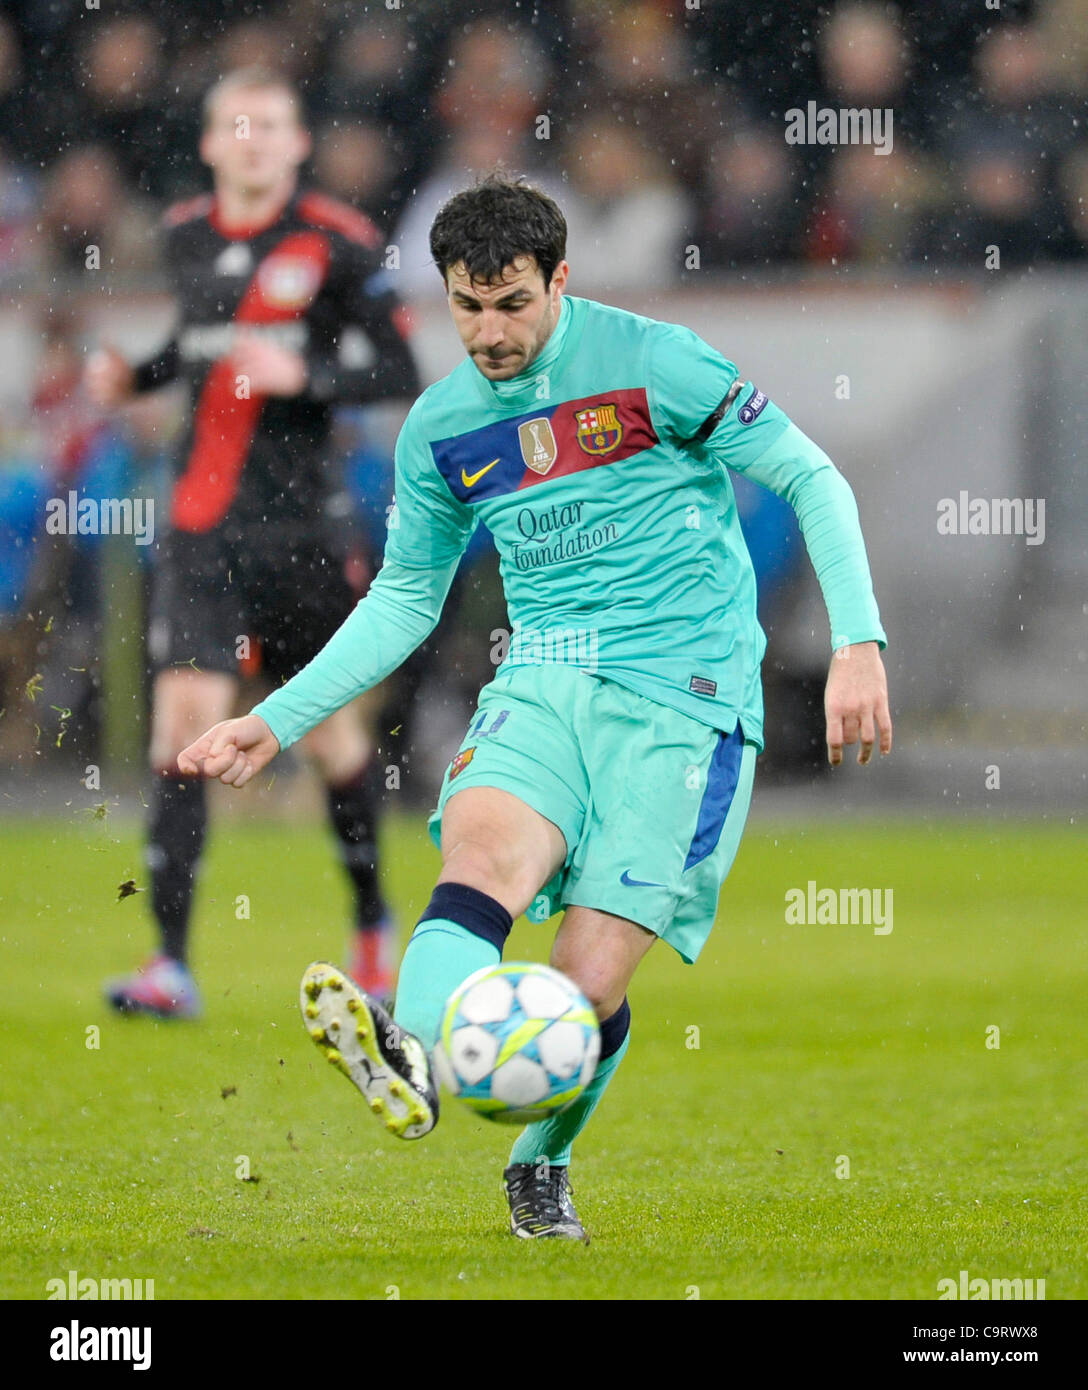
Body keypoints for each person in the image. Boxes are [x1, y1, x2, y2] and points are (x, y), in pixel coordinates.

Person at [177, 175, 892, 1241]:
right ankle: (412, 1053)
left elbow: (809, 477)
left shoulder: (656, 364)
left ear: (560, 280)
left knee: (586, 985)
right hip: (543, 678)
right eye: (468, 307)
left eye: (512, 303)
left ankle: (539, 1162)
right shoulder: (441, 427)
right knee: (479, 860)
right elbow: (405, 598)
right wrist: (273, 718)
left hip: (684, 699)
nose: (490, 332)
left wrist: (857, 642)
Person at [84, 67, 420, 1018]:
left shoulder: (341, 242)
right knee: (183, 730)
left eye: (271, 124)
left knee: (332, 741)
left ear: (298, 143)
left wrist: (305, 375)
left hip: (304, 534)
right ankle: (170, 964)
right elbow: (195, 343)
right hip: (201, 527)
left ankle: (372, 925)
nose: (254, 139)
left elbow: (401, 368)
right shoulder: (186, 233)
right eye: (238, 124)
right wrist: (136, 377)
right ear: (209, 143)